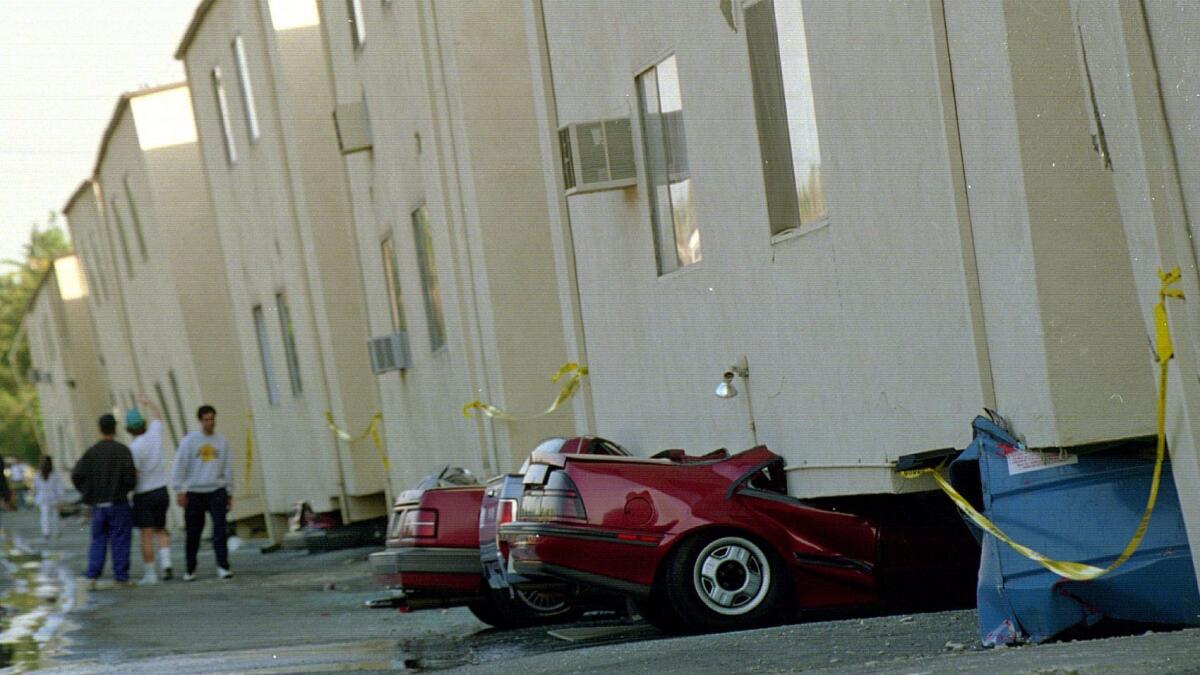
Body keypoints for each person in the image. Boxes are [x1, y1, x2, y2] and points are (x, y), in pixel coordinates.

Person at [72, 413, 137, 589]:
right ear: (115, 429)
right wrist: (124, 489)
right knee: (120, 540)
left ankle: (92, 576)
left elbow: (77, 475)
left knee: (98, 540)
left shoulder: (91, 453)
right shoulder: (123, 451)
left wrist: (88, 494)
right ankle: (121, 577)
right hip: (119, 503)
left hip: (98, 505)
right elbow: (131, 477)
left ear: (99, 429)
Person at [170, 404, 233, 581]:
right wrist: (179, 489)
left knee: (220, 530)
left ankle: (223, 566)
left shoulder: (222, 441)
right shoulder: (190, 441)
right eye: (206, 419)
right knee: (194, 532)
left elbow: (227, 468)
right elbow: (179, 465)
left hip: (216, 490)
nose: (210, 423)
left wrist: (229, 492)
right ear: (200, 421)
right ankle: (190, 568)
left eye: (212, 419)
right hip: (195, 491)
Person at [127, 395, 174, 584]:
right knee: (161, 530)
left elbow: (135, 474)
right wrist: (148, 403)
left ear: (129, 429)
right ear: (144, 424)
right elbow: (158, 415)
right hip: (161, 489)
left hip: (144, 494)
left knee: (146, 535)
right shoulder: (154, 434)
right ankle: (167, 564)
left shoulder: (134, 448)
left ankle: (150, 574)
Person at [32, 455, 64, 540]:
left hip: (42, 496)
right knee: (55, 515)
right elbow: (59, 487)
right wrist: (60, 498)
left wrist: (35, 496)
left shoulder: (38, 474)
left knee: (44, 515)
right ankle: (56, 532)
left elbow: (35, 486)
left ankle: (46, 532)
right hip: (53, 496)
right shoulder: (55, 474)